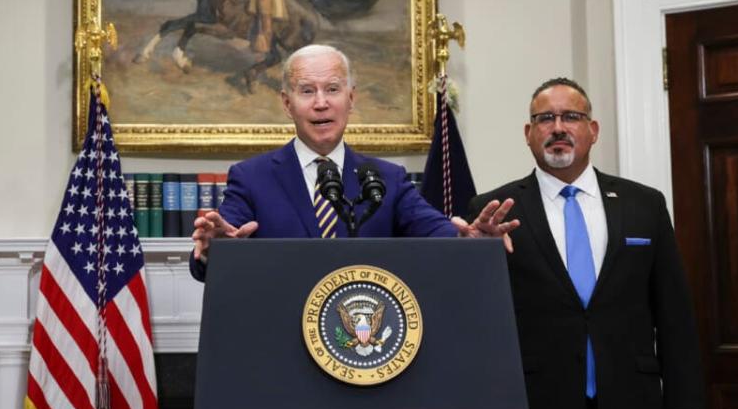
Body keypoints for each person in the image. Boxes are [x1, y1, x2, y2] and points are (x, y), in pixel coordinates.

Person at [469, 77, 704, 409]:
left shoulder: (644, 204)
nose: (558, 127)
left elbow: (674, 314)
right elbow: (479, 329)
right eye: (545, 118)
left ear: (592, 130)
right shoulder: (493, 211)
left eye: (571, 117)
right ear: (529, 134)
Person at [190, 44, 518, 280]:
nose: (321, 103)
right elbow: (219, 243)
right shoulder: (251, 178)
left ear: (351, 98)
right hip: (283, 341)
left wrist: (470, 243)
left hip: (367, 341)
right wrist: (213, 250)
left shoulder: (387, 178)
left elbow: (437, 233)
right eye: (307, 91)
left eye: (332, 89)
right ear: (287, 104)